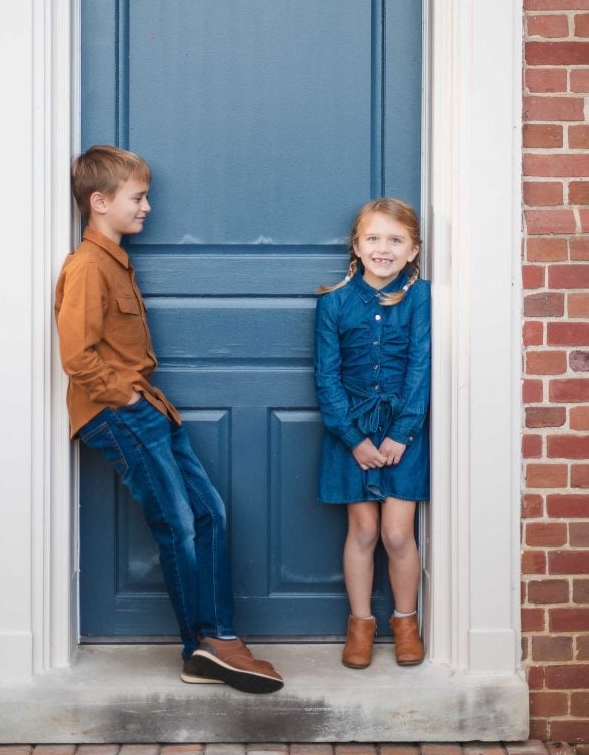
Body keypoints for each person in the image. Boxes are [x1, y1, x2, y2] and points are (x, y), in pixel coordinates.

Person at [55, 144, 284, 694]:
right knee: (178, 523)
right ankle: (200, 644)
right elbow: (76, 353)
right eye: (138, 198)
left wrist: (142, 401)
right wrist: (127, 399)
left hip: (151, 409)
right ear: (99, 201)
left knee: (210, 511)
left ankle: (220, 636)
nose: (148, 208)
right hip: (119, 413)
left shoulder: (115, 262)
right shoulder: (86, 267)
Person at [314, 198, 430, 669]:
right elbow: (326, 377)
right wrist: (353, 438)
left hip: (406, 431)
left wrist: (402, 432)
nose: (384, 248)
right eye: (374, 238)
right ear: (357, 246)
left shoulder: (422, 298)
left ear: (412, 250)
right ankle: (360, 623)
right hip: (352, 432)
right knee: (362, 529)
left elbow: (421, 366)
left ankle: (406, 621)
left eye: (396, 240)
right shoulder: (333, 303)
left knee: (398, 533)